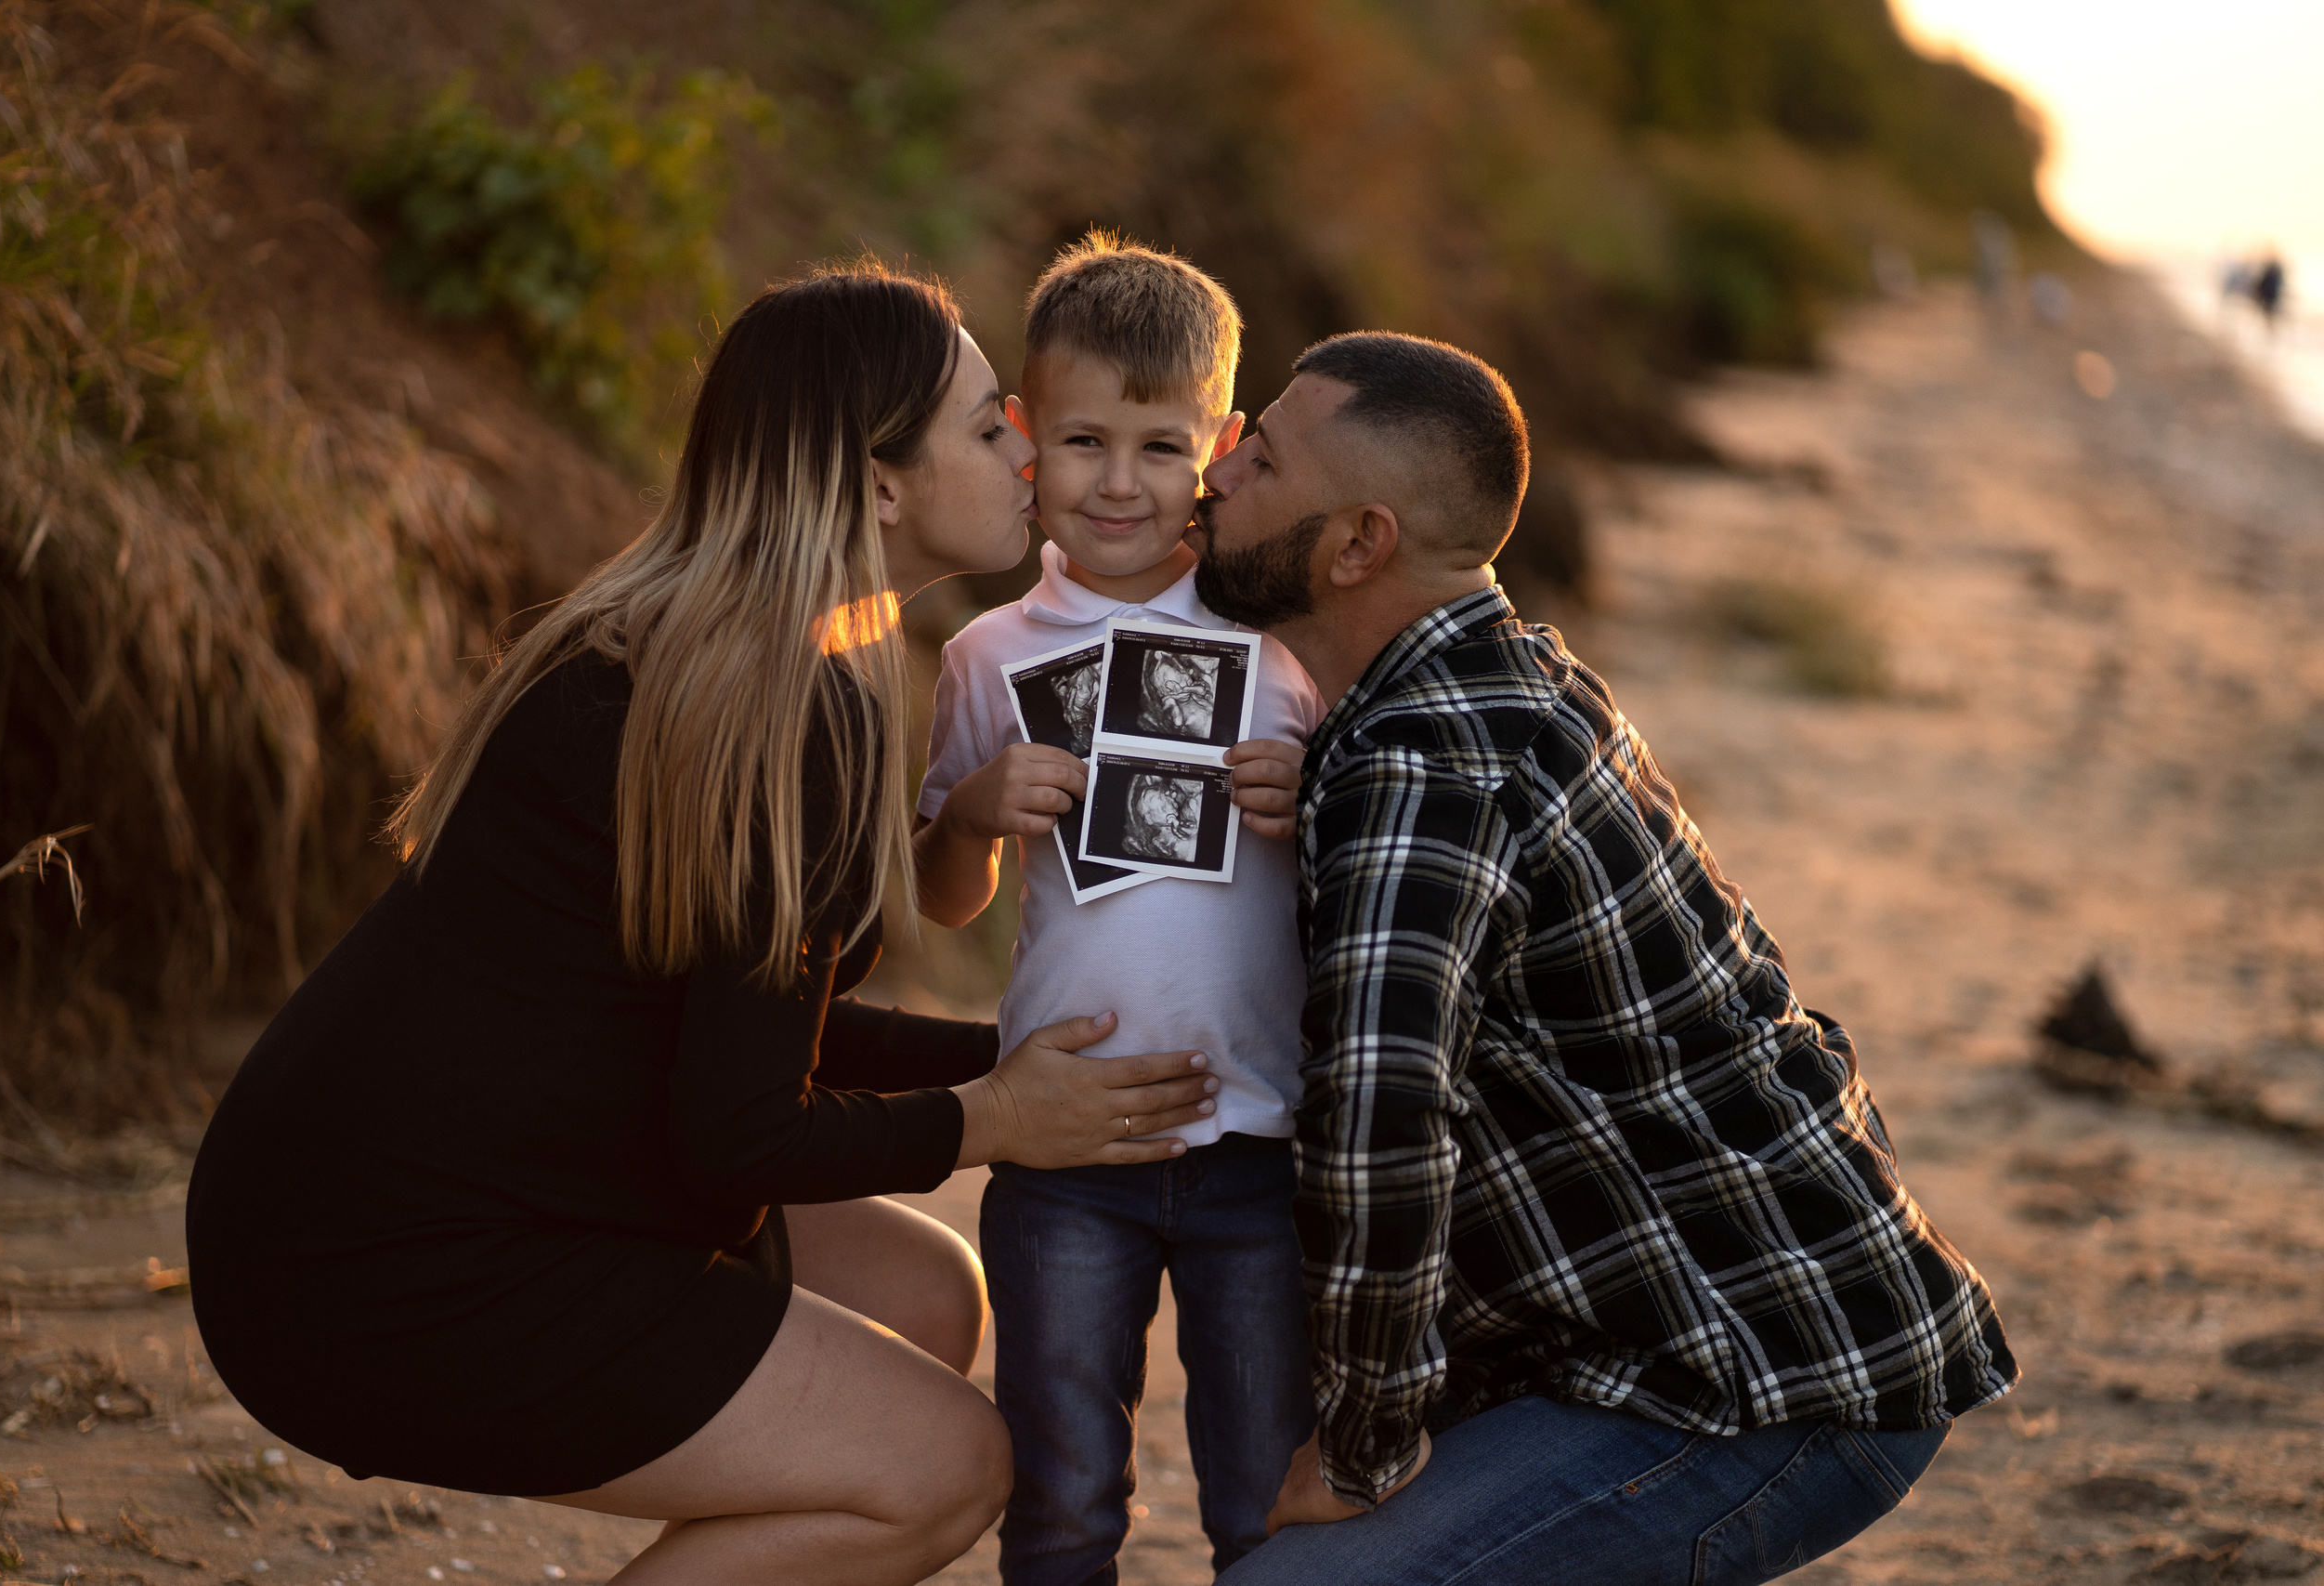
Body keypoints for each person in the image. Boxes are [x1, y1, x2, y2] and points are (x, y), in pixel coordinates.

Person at [184, 264, 1225, 1586]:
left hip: (396, 1200)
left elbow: (739, 1030)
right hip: (393, 1266)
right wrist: (998, 1117)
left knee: (924, 1294)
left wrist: (1007, 1059)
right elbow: (740, 1131)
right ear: (881, 486)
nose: (1026, 450)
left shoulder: (720, 647)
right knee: (948, 1470)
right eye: (984, 427)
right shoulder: (781, 713)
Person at [1188, 332, 2018, 1586]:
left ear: (1359, 543)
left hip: (1760, 1388)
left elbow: (1382, 1131)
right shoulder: (1514, 677)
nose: (1217, 470)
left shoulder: (1421, 766)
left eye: (1260, 457)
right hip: (1683, 1334)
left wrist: (1361, 1453)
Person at [914, 234, 1324, 1583]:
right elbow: (944, 897)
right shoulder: (986, 655)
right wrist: (970, 816)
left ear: (1223, 446)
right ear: (1025, 435)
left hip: (1259, 1140)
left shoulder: (1285, 647)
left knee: (1262, 1503)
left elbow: (1369, 899)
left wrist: (1313, 805)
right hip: (1064, 1146)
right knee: (1063, 1500)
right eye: (1084, 441)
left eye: (1162, 447)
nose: (1120, 482)